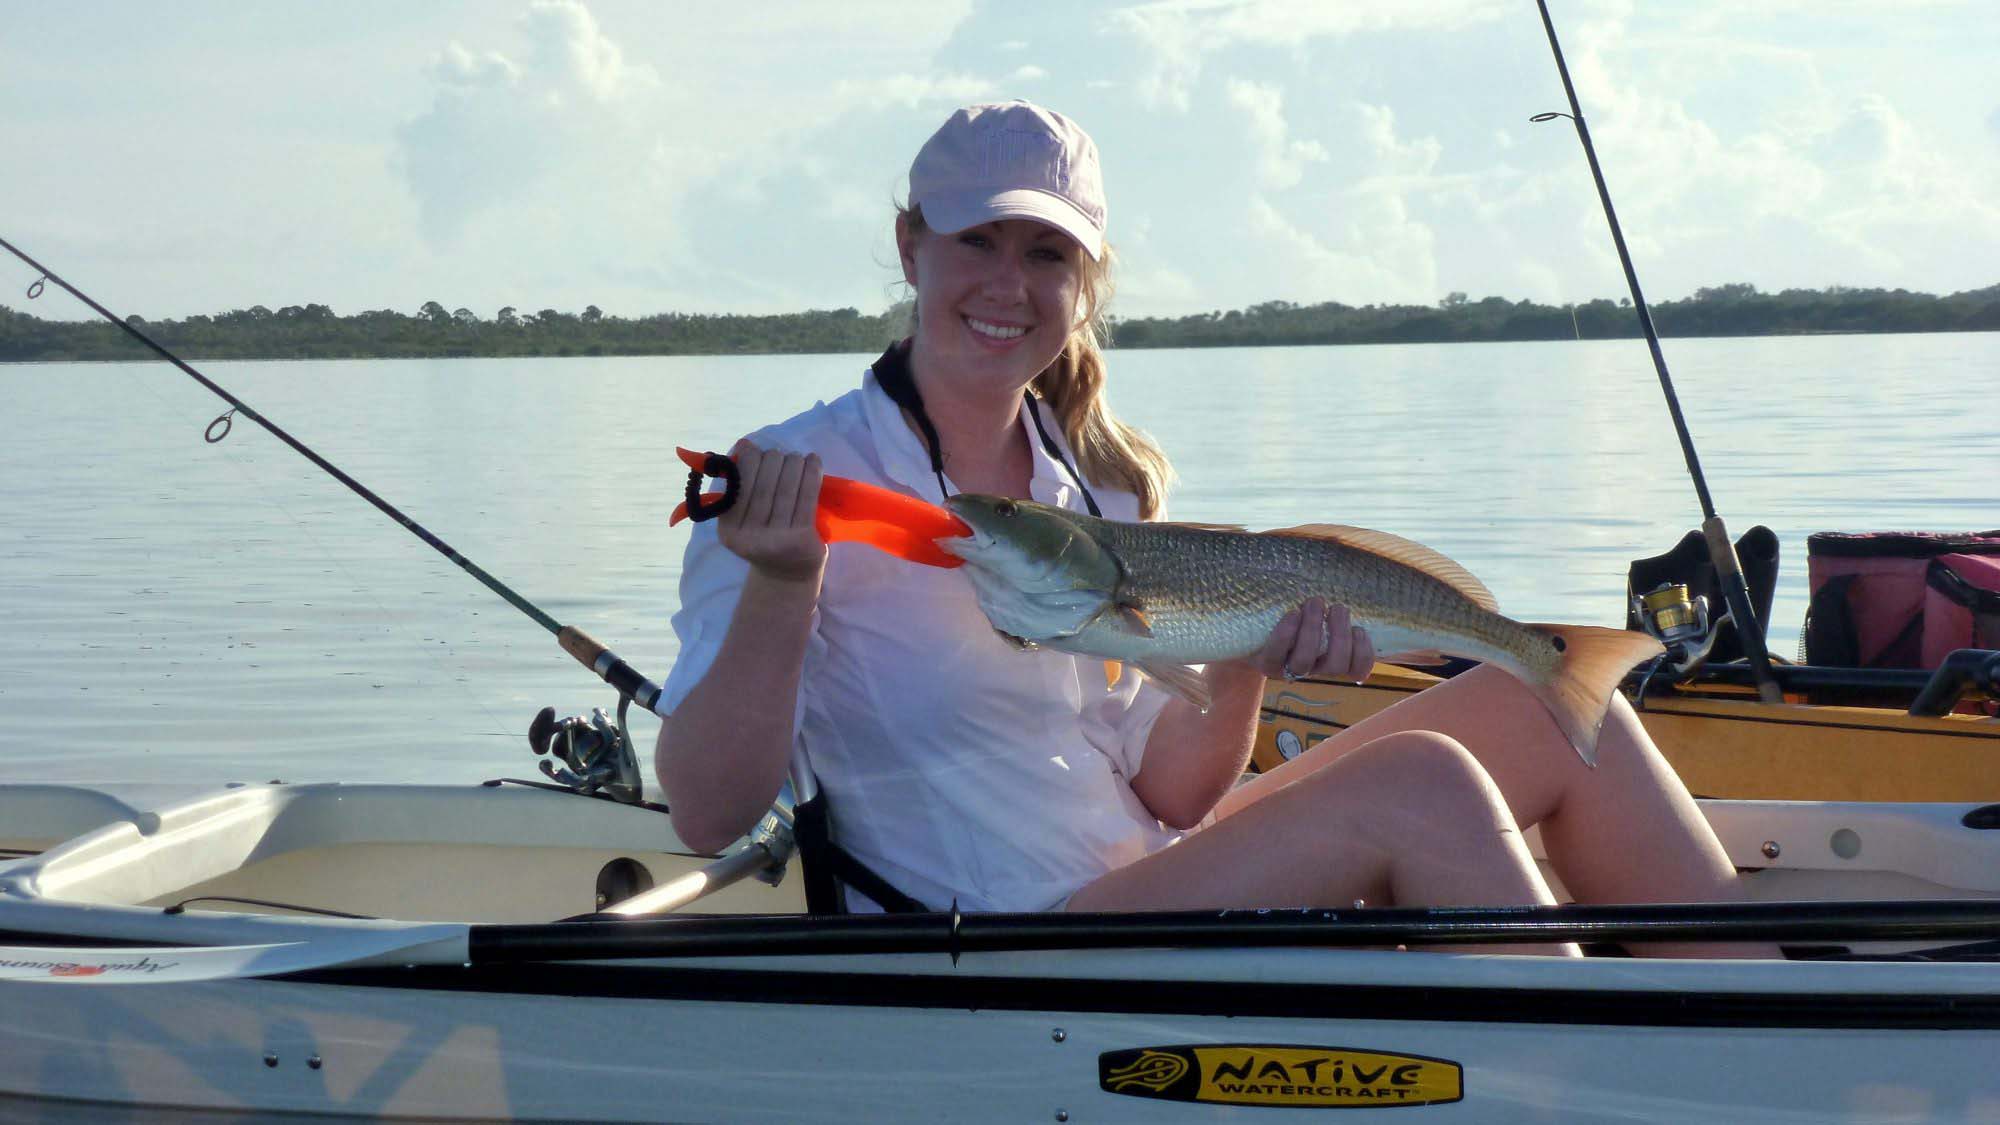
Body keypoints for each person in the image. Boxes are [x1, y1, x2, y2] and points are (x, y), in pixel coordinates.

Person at [656, 101, 1773, 957]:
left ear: (1083, 282)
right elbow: (708, 815)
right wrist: (781, 583)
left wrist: (1246, 657)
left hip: (1145, 867)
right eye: (976, 243)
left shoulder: (1099, 487)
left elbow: (1172, 795)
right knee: (1420, 782)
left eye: (1045, 254)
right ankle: (1603, 1073)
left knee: (1555, 699)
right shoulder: (792, 483)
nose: (1008, 284)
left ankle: (1767, 1032)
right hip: (1006, 938)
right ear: (910, 249)